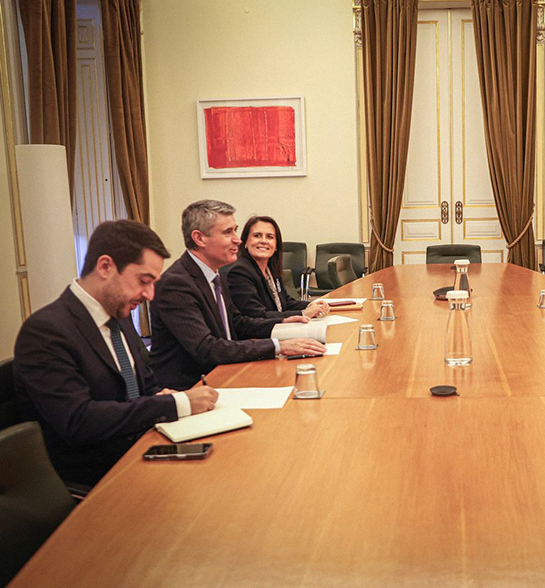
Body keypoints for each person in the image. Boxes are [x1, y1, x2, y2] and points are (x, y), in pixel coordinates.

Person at [13, 220, 219, 487]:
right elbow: (79, 421)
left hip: (142, 450)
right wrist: (176, 404)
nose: (150, 294)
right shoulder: (45, 332)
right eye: (144, 281)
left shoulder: (118, 314)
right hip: (94, 478)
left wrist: (164, 395)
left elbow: (145, 385)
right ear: (106, 267)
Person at [150, 200, 326, 390]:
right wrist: (279, 346)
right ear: (199, 238)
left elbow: (239, 324)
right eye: (228, 232)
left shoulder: (215, 274)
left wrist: (286, 323)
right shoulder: (176, 284)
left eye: (235, 230)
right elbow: (207, 349)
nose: (238, 239)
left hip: (227, 372)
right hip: (193, 387)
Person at [223, 215, 329, 319]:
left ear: (276, 245)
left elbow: (284, 303)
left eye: (270, 237)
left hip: (277, 327)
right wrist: (303, 313)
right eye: (257, 235)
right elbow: (257, 315)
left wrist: (311, 305)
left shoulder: (270, 269)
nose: (263, 241)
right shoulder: (240, 272)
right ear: (245, 242)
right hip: (259, 334)